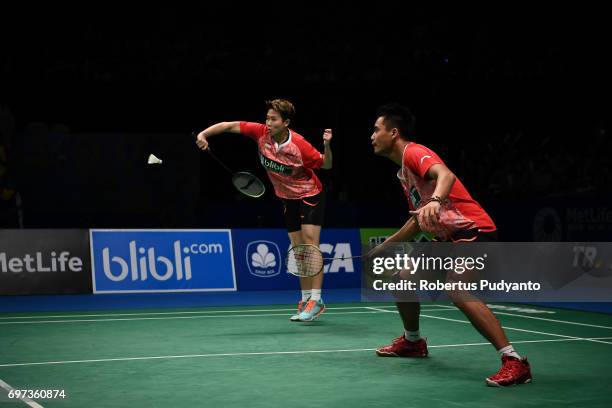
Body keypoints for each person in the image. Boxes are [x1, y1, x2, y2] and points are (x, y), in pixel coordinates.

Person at [369, 103, 532, 386]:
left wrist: (434, 200)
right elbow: (418, 221)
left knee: (457, 289)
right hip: (448, 239)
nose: (371, 135)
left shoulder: (415, 152)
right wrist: (385, 248)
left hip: (473, 231)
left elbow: (446, 176)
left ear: (393, 133)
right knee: (402, 277)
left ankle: (514, 361)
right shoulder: (403, 175)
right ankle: (413, 342)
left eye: (376, 129)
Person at [195, 99, 332, 322]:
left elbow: (326, 164)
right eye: (267, 118)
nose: (268, 123)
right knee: (298, 250)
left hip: (309, 194)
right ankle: (305, 298)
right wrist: (204, 134)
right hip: (286, 197)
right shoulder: (260, 133)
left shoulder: (300, 145)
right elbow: (229, 125)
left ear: (286, 122)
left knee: (309, 246)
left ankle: (316, 300)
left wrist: (326, 146)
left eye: (273, 119)